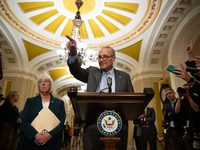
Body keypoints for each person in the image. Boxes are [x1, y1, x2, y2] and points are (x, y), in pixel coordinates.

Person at [66, 35, 134, 150]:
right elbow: (76, 71)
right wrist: (73, 53)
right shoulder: (92, 72)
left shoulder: (125, 77)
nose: (101, 59)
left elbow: (132, 99)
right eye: (99, 57)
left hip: (119, 124)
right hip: (93, 123)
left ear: (113, 58)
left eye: (105, 57)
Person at [18, 74, 66, 150]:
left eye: (46, 81)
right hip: (30, 143)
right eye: (40, 82)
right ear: (38, 85)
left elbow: (61, 123)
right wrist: (35, 134)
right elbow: (24, 121)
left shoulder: (59, 103)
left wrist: (50, 135)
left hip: (51, 144)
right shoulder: (30, 101)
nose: (43, 83)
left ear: (51, 84)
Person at [175, 83, 200, 150]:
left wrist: (188, 97)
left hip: (198, 127)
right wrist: (179, 98)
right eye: (183, 89)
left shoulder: (196, 98)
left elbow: (197, 110)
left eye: (186, 89)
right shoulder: (184, 101)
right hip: (189, 129)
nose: (184, 91)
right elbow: (177, 111)